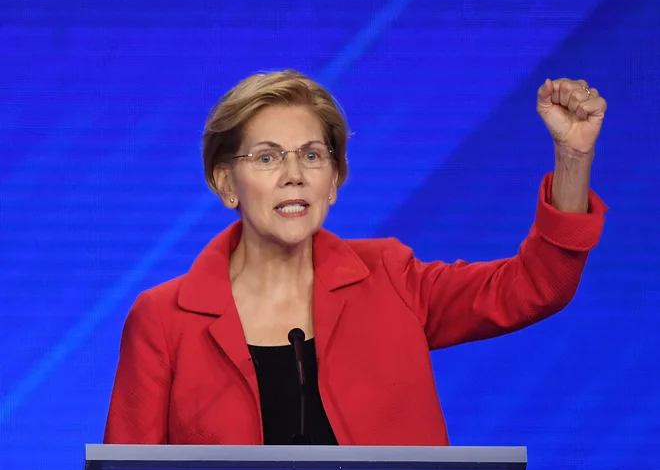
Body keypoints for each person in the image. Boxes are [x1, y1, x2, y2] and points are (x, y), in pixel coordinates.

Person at [104, 70, 607, 446]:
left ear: (334, 183)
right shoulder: (164, 319)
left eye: (313, 155)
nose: (294, 174)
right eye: (266, 156)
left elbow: (535, 286)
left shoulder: (390, 277)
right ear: (225, 183)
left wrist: (573, 158)